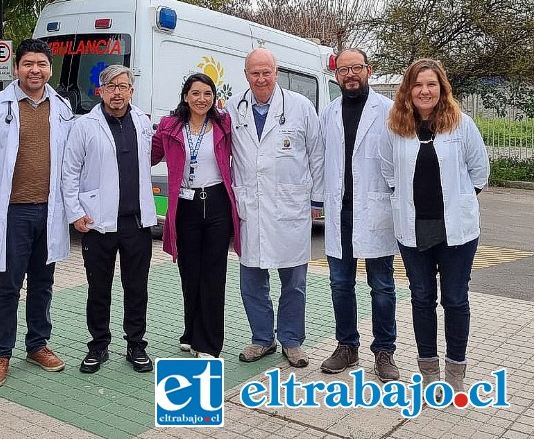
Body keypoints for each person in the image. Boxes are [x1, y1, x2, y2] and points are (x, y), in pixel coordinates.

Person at [0, 38, 74, 388]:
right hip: (10, 213)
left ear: (49, 69)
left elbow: (71, 160)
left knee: (43, 284)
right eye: (28, 64)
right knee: (8, 285)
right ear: (16, 68)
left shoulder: (62, 106)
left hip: (49, 211)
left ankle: (37, 344)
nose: (35, 70)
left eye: (41, 64)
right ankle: (0, 354)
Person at [378, 58, 489, 393]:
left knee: (455, 299)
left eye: (431, 84)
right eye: (417, 84)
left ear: (442, 89)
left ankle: (456, 372)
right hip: (413, 231)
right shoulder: (395, 128)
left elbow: (479, 172)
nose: (424, 91)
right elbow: (388, 173)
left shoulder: (462, 125)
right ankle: (429, 372)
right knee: (421, 298)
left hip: (457, 232)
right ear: (407, 90)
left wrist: (460, 202)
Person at [226, 47, 324, 368]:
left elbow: (317, 155)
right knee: (251, 280)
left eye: (267, 72)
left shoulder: (299, 107)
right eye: (255, 73)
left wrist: (317, 200)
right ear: (246, 76)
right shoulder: (232, 109)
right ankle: (261, 338)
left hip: (290, 208)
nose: (262, 78)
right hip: (250, 208)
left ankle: (292, 341)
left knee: (294, 281)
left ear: (276, 72)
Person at [62, 64, 157, 374]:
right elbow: (70, 171)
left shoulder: (142, 121)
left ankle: (136, 345)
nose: (118, 91)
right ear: (100, 91)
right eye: (111, 86)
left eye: (123, 85)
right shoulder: (85, 126)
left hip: (136, 223)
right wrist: (75, 213)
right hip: (98, 223)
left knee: (137, 287)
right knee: (98, 288)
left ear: (131, 90)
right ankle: (98, 345)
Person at [319, 48, 400, 382]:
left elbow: (400, 158)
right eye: (343, 70)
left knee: (381, 285)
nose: (349, 74)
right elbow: (322, 158)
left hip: (376, 209)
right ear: (336, 75)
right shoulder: (329, 112)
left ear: (369, 70)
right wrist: (315, 199)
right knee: (340, 283)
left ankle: (384, 351)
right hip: (340, 211)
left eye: (356, 68)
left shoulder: (389, 111)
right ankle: (347, 346)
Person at [151, 73, 241, 358]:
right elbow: (148, 155)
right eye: (196, 93)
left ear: (214, 98)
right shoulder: (170, 126)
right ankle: (190, 333)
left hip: (216, 203)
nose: (201, 99)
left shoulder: (224, 124)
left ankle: (209, 343)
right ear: (185, 96)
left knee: (213, 274)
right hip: (185, 205)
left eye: (207, 94)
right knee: (189, 273)